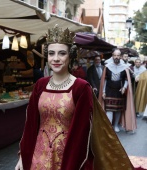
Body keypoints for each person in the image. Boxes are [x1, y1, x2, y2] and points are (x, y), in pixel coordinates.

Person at [15, 25, 134, 170]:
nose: (56, 58)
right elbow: (31, 124)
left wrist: (72, 164)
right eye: (51, 53)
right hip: (38, 157)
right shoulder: (40, 85)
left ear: (70, 55)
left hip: (69, 158)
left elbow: (81, 132)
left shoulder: (81, 87)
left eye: (62, 53)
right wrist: (23, 155)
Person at [98, 48, 136, 133]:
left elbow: (126, 79)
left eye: (118, 55)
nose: (116, 57)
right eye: (115, 55)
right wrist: (103, 91)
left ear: (120, 57)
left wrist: (124, 88)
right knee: (109, 109)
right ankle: (109, 126)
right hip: (109, 90)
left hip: (119, 91)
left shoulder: (125, 67)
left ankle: (115, 125)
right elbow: (105, 80)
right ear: (112, 56)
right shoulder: (107, 67)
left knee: (118, 109)